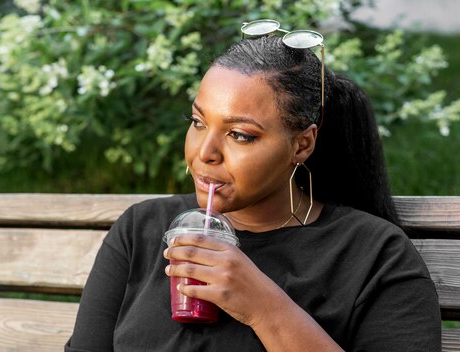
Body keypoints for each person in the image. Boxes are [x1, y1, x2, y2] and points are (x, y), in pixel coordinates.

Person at [65, 21, 441, 351]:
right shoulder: (141, 230)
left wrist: (264, 307)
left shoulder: (373, 255)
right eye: (197, 122)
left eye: (240, 135)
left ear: (302, 144)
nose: (204, 153)